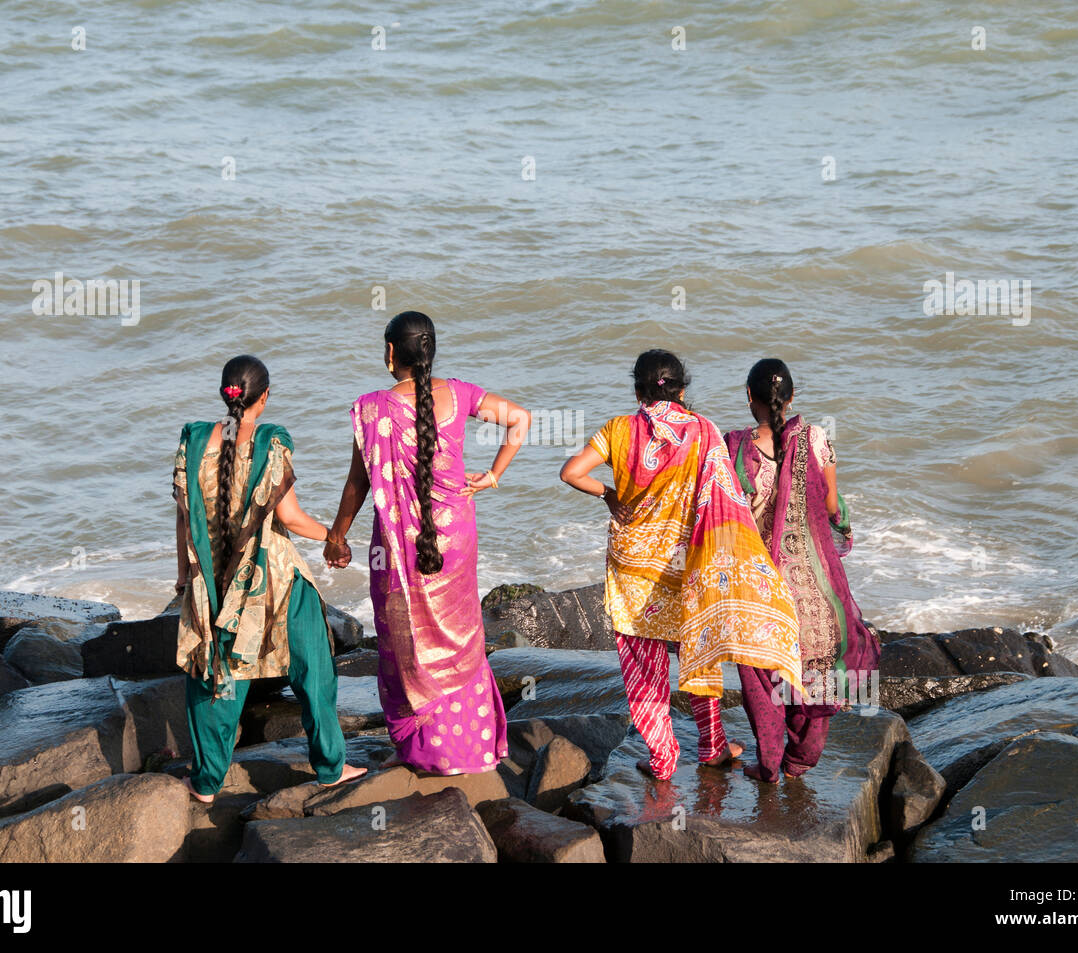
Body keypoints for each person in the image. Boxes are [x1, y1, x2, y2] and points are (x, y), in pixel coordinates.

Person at [560, 349, 802, 781]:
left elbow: (571, 472)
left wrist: (609, 495)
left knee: (643, 663)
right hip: (686, 562)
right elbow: (725, 499)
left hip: (633, 567)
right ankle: (712, 746)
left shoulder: (618, 429)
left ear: (637, 391)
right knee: (699, 651)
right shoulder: (704, 431)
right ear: (683, 390)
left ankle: (663, 757)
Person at [323, 312, 530, 775]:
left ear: (392, 352)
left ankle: (423, 747)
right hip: (456, 533)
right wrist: (493, 475)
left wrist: (337, 535)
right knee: (461, 637)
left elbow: (358, 481)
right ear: (430, 351)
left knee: (405, 634)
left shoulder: (373, 407)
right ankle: (470, 750)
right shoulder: (460, 393)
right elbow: (520, 418)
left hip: (400, 542)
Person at [174, 355, 366, 803]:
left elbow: (184, 518)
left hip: (214, 581)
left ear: (225, 393)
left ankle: (206, 783)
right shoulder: (270, 443)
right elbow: (291, 517)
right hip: (273, 575)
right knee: (313, 664)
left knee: (217, 671)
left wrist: (184, 578)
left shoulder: (194, 440)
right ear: (264, 397)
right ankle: (330, 768)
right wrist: (334, 538)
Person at [723, 358, 881, 782]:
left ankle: (770, 761)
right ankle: (800, 760)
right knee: (818, 668)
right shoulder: (816, 438)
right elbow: (831, 505)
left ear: (749, 397)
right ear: (791, 397)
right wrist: (841, 521)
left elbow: (723, 515)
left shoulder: (734, 447)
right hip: (815, 587)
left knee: (763, 676)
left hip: (762, 587)